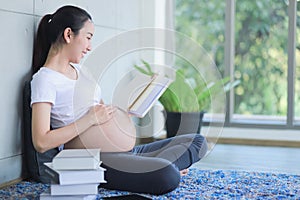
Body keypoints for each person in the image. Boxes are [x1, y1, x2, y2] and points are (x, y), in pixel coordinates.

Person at [30, 5, 208, 195]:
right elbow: (41, 141)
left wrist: (126, 110)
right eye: (88, 37)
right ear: (68, 35)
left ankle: (151, 169)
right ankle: (159, 170)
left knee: (198, 142)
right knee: (168, 176)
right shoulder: (45, 79)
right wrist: (89, 119)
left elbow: (100, 109)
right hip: (94, 159)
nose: (89, 47)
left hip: (126, 152)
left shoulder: (82, 71)